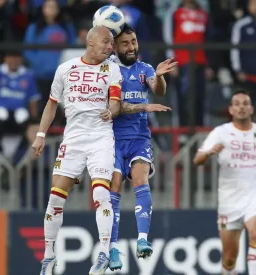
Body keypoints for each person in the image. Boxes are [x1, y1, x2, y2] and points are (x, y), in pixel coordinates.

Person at [30, 26, 121, 275]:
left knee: (101, 194)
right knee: (56, 197)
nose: (110, 47)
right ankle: (48, 257)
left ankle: (102, 254)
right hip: (73, 139)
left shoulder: (111, 69)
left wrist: (111, 111)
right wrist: (40, 135)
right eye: (106, 42)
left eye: (112, 43)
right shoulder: (65, 69)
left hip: (101, 138)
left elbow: (115, 101)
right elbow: (50, 106)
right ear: (90, 42)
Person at [193, 89, 256, 275]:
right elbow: (197, 159)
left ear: (251, 109)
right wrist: (209, 152)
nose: (241, 107)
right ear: (231, 110)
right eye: (237, 104)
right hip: (229, 200)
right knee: (230, 258)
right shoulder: (220, 132)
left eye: (245, 103)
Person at [107, 25, 175, 271]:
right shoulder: (108, 71)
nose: (132, 47)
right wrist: (143, 108)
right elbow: (113, 107)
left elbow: (158, 89)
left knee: (140, 179)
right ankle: (113, 249)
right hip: (111, 140)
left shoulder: (144, 69)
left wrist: (159, 77)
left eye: (134, 41)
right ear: (114, 46)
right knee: (114, 186)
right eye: (125, 43)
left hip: (139, 138)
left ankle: (143, 240)